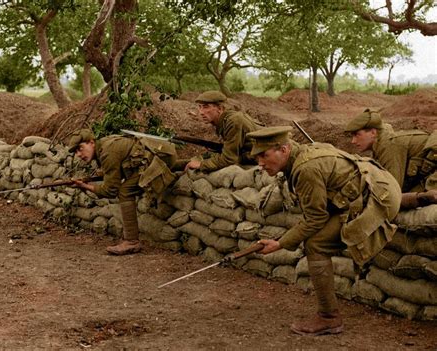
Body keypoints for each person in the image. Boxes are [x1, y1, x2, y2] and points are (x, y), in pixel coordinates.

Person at [247, 126, 401, 336]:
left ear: (283, 149)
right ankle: (419, 198)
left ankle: (329, 317)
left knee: (316, 244)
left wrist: (280, 243)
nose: (260, 164)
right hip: (375, 184)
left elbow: (315, 219)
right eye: (257, 158)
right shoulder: (303, 153)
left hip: (378, 195)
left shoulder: (305, 169)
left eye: (264, 156)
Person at [68, 129, 178, 255]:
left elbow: (110, 190)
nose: (78, 154)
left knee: (125, 191)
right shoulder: (103, 146)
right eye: (75, 151)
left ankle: (132, 242)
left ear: (91, 142)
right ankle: (185, 164)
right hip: (162, 154)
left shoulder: (107, 152)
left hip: (159, 157)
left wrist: (85, 186)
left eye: (80, 148)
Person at [345, 109, 437, 208]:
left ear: (373, 133)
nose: (353, 141)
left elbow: (393, 190)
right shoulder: (381, 144)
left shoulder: (389, 145)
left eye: (357, 135)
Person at [182, 90, 264, 172]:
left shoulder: (233, 121)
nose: (201, 112)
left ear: (219, 108)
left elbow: (229, 159)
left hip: (265, 154)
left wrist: (202, 164)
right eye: (200, 107)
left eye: (206, 107)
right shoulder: (225, 120)